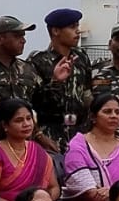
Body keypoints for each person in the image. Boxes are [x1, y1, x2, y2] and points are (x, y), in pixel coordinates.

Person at [62, 94, 119, 201]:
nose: (114, 116)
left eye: (117, 112)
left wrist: (112, 193)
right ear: (93, 117)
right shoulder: (78, 146)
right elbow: (93, 195)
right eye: (107, 111)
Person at [0, 98, 60, 201]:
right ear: (5, 125)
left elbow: (54, 187)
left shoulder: (38, 151)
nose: (26, 124)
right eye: (19, 120)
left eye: (29, 118)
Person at [29, 8, 93, 149]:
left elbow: (87, 94)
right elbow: (34, 103)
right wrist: (56, 82)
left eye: (77, 26)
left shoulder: (81, 57)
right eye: (72, 27)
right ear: (55, 31)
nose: (78, 31)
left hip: (79, 133)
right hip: (51, 133)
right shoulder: (39, 61)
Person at [0, 16, 45, 143]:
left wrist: (39, 135)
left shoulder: (27, 69)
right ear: (0, 38)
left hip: (22, 145)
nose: (23, 40)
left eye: (23, 36)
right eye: (17, 36)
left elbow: (39, 104)